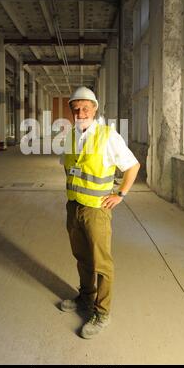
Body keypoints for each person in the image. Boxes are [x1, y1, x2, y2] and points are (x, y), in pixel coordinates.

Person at [60, 86, 140, 339]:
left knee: (102, 264)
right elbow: (70, 169)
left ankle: (102, 313)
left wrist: (120, 194)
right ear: (71, 111)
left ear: (94, 109)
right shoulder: (71, 136)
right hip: (74, 207)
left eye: (85, 108)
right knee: (81, 257)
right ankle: (85, 297)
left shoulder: (109, 136)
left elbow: (132, 166)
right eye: (76, 109)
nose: (80, 112)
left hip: (96, 211)